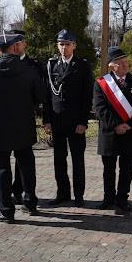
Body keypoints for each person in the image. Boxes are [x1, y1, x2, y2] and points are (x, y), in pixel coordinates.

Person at [0, 31, 46, 223]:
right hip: (23, 127)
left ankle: (6, 210)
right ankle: (30, 202)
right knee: (26, 166)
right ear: (14, 48)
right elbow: (40, 97)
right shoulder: (29, 70)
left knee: (2, 169)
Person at [43, 30, 94, 207]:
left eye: (67, 44)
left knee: (77, 160)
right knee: (59, 159)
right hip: (57, 121)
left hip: (75, 122)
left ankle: (79, 195)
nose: (64, 47)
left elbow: (87, 97)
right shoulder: (51, 65)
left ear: (74, 46)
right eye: (61, 44)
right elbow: (47, 96)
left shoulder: (82, 66)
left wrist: (83, 121)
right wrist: (46, 120)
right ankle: (62, 193)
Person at [93, 47, 132, 212]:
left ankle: (123, 199)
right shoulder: (101, 83)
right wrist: (116, 124)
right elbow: (100, 108)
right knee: (108, 169)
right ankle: (108, 199)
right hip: (109, 133)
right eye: (120, 63)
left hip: (129, 134)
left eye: (126, 62)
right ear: (111, 66)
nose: (125, 65)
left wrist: (129, 125)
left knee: (126, 169)